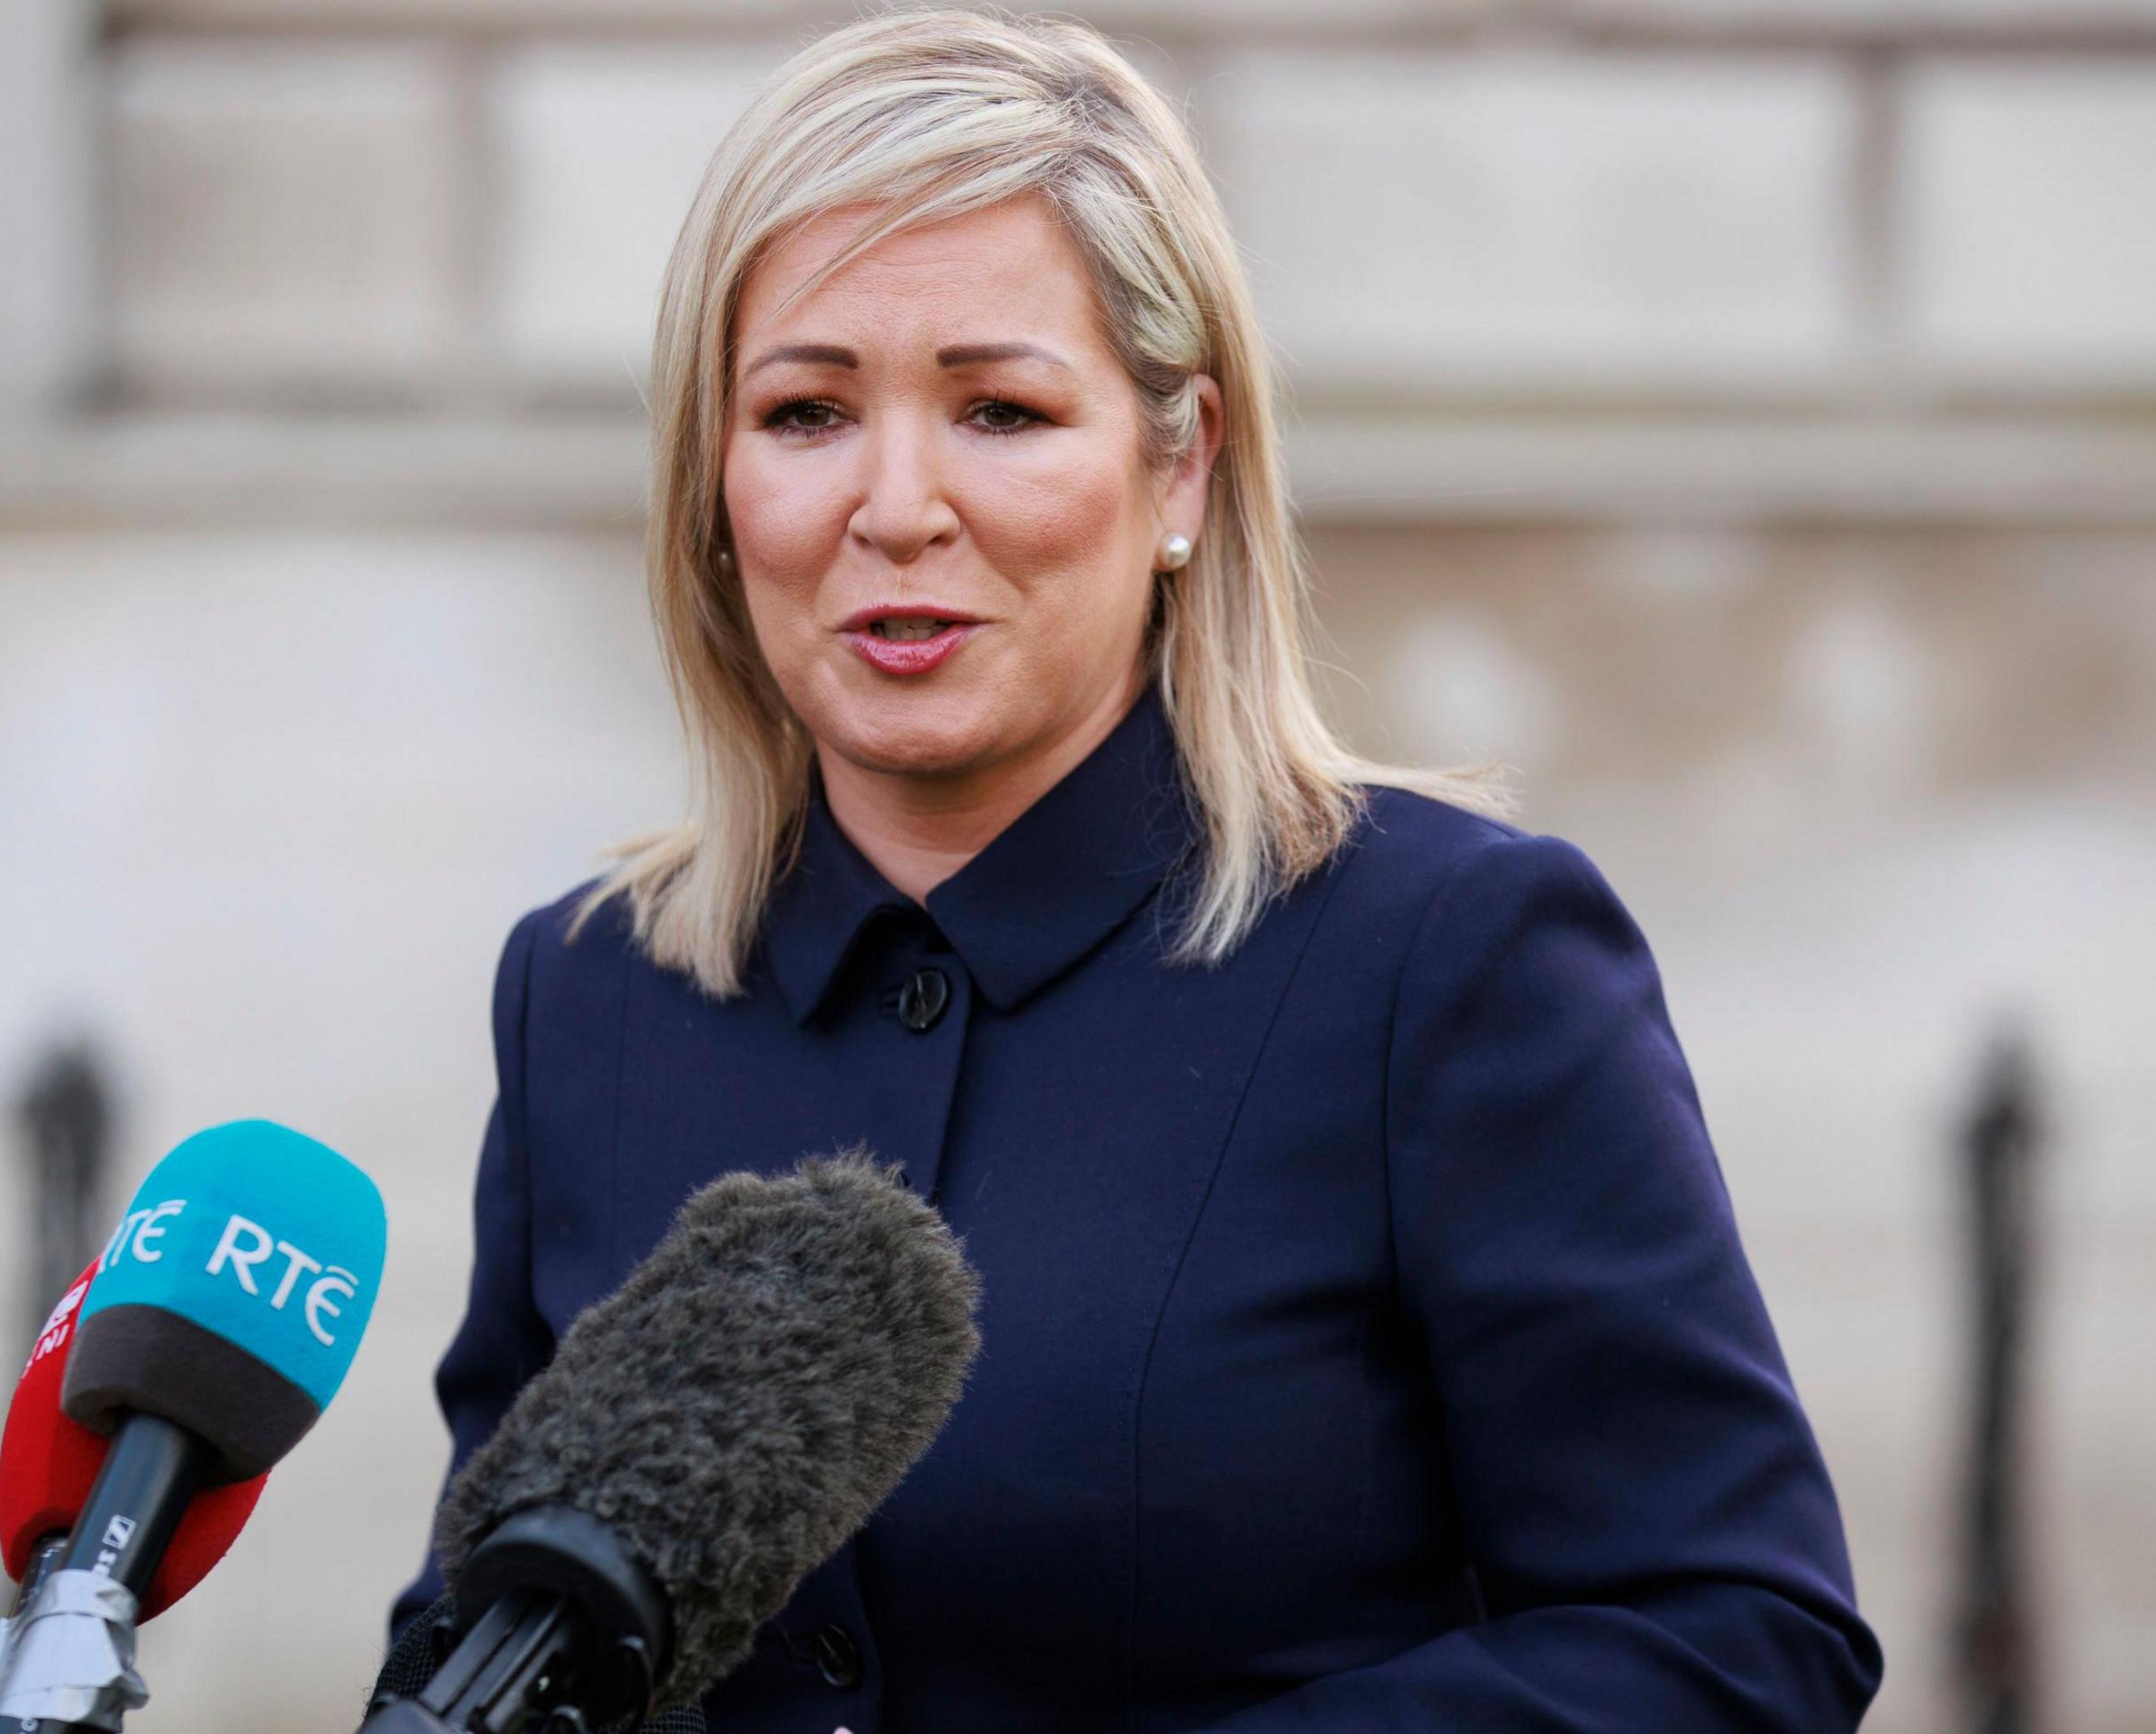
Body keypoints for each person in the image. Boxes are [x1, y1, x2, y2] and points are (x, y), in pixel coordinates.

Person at [390, 11, 1880, 1731]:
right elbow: (486, 1638)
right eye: (805, 411)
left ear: (1181, 463)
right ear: (713, 490)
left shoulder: (1451, 959)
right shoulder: (594, 994)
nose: (895, 506)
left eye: (1001, 410)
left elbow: (1733, 1636)